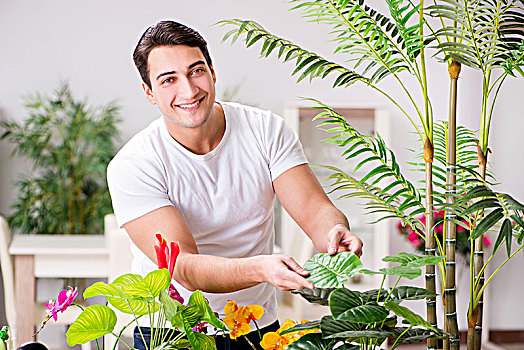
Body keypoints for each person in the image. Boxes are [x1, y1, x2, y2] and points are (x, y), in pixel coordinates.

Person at [107, 20, 363, 350]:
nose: (188, 90)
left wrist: (335, 231)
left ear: (212, 71)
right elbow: (184, 266)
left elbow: (315, 210)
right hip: (172, 330)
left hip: (255, 322)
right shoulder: (134, 164)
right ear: (149, 92)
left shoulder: (266, 131)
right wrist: (260, 269)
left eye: (196, 71)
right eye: (168, 80)